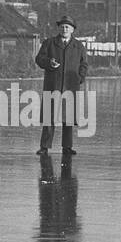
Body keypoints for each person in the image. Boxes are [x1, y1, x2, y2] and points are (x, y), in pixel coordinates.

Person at [35, 15, 87, 155]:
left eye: (67, 27)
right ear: (59, 28)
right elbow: (39, 59)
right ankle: (44, 147)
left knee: (68, 118)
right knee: (49, 116)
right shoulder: (49, 43)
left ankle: (67, 147)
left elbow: (84, 64)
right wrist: (49, 63)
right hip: (53, 84)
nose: (64, 29)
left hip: (71, 85)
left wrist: (80, 78)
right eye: (62, 27)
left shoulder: (79, 46)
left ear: (72, 30)